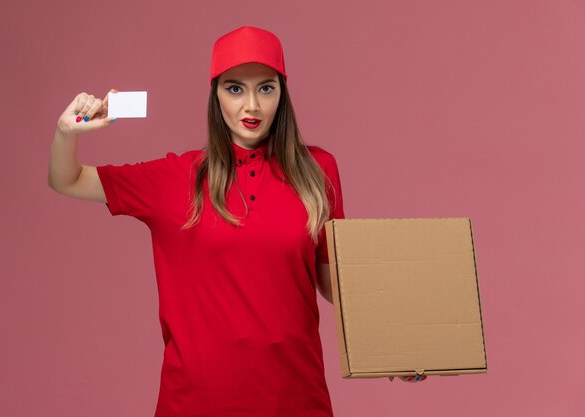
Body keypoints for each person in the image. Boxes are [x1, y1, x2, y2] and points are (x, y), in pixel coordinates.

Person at [48, 25, 423, 417]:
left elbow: (335, 283)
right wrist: (65, 131)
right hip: (195, 404)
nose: (252, 106)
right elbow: (66, 179)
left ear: (282, 93)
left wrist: (394, 342)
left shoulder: (318, 170)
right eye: (235, 89)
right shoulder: (177, 178)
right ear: (216, 95)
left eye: (265, 88)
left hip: (295, 400)